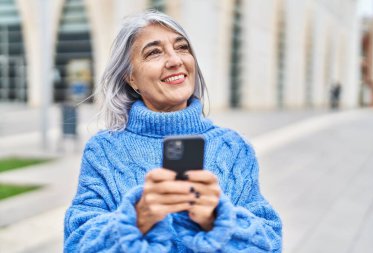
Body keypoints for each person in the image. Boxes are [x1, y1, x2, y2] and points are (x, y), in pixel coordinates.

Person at [64, 10, 282, 252]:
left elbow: (269, 242)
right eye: (154, 52)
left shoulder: (234, 148)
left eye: (182, 48)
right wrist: (137, 219)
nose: (175, 60)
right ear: (131, 78)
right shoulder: (103, 151)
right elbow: (76, 242)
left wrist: (218, 219)